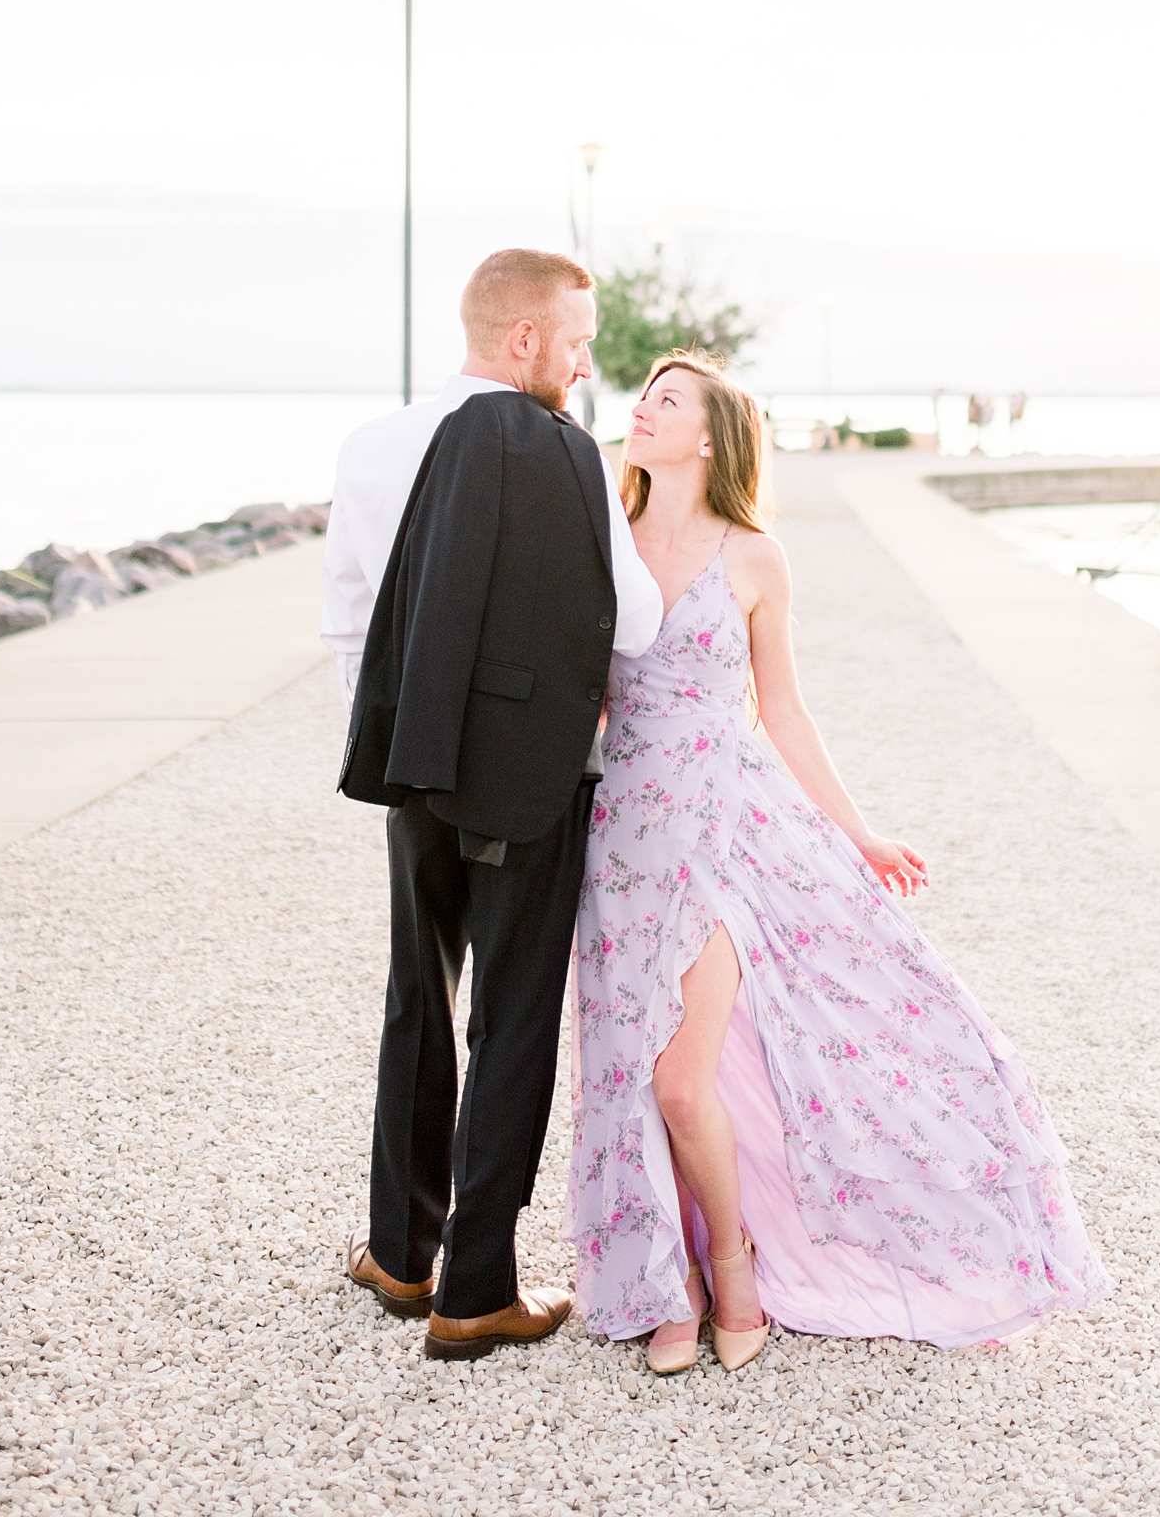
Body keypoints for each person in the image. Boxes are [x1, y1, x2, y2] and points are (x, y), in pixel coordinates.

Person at [568, 354, 1110, 1373]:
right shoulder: (608, 542)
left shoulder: (756, 557)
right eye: (642, 396)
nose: (642, 411)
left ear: (713, 438)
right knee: (633, 1069)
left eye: (667, 401)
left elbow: (783, 709)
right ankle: (665, 1275)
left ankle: (732, 1266)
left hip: (729, 826)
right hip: (626, 840)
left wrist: (858, 833)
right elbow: (585, 700)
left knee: (687, 1080)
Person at [332, 249, 663, 1361]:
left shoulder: (377, 445)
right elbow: (635, 623)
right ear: (525, 341)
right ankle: (477, 1290)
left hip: (414, 763)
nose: (583, 364)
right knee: (513, 1017)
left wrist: (409, 740)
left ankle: (397, 1251)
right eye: (575, 342)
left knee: (415, 999)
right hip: (528, 777)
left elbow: (348, 620)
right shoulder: (563, 452)